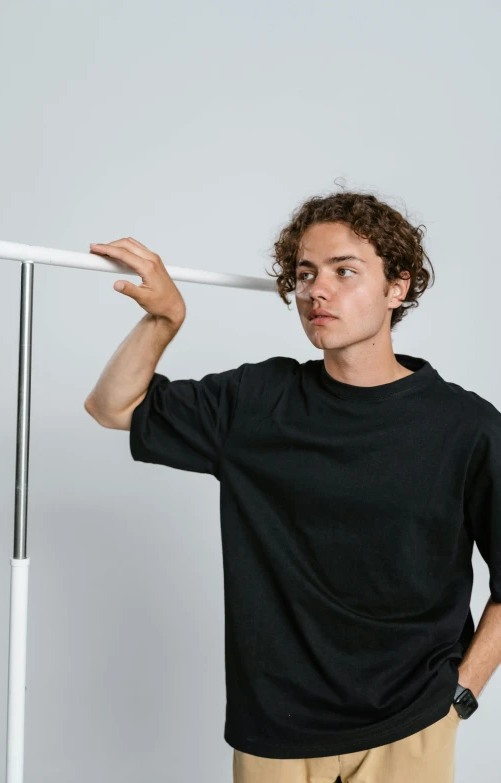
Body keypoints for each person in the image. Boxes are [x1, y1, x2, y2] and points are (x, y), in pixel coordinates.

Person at [84, 189, 501, 783]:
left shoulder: (467, 427)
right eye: (305, 274)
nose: (316, 290)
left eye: (344, 271)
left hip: (411, 724)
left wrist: (462, 694)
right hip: (275, 732)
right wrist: (163, 319)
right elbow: (110, 405)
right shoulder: (257, 403)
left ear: (397, 287)